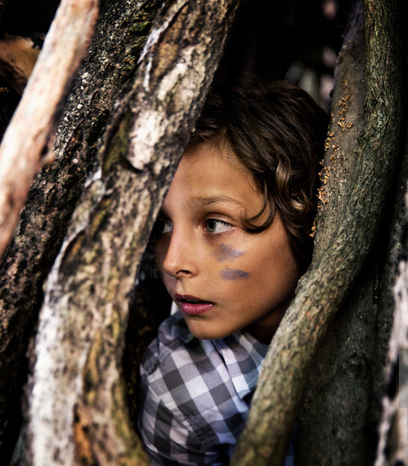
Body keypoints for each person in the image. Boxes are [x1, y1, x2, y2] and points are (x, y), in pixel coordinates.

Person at [138, 77, 328, 465]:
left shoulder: (399, 319)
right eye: (163, 226)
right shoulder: (181, 389)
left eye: (214, 224)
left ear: (308, 215)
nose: (173, 263)